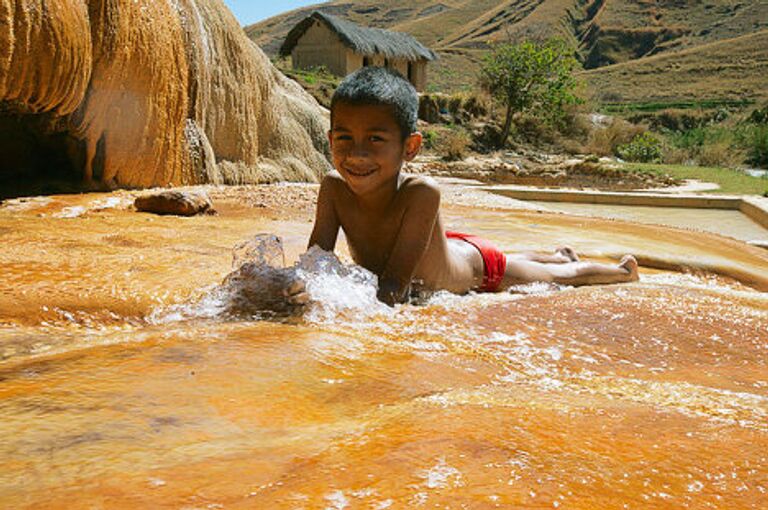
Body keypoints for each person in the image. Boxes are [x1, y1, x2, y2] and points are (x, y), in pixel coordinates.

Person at [286, 67, 638, 306]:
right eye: (344, 137)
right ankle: (558, 250)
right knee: (526, 260)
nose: (357, 153)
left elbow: (394, 289)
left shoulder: (421, 193)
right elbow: (315, 264)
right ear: (330, 139)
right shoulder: (333, 187)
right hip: (442, 245)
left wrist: (329, 304)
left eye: (375, 139)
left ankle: (620, 271)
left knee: (556, 276)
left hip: (477, 268)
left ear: (410, 147)